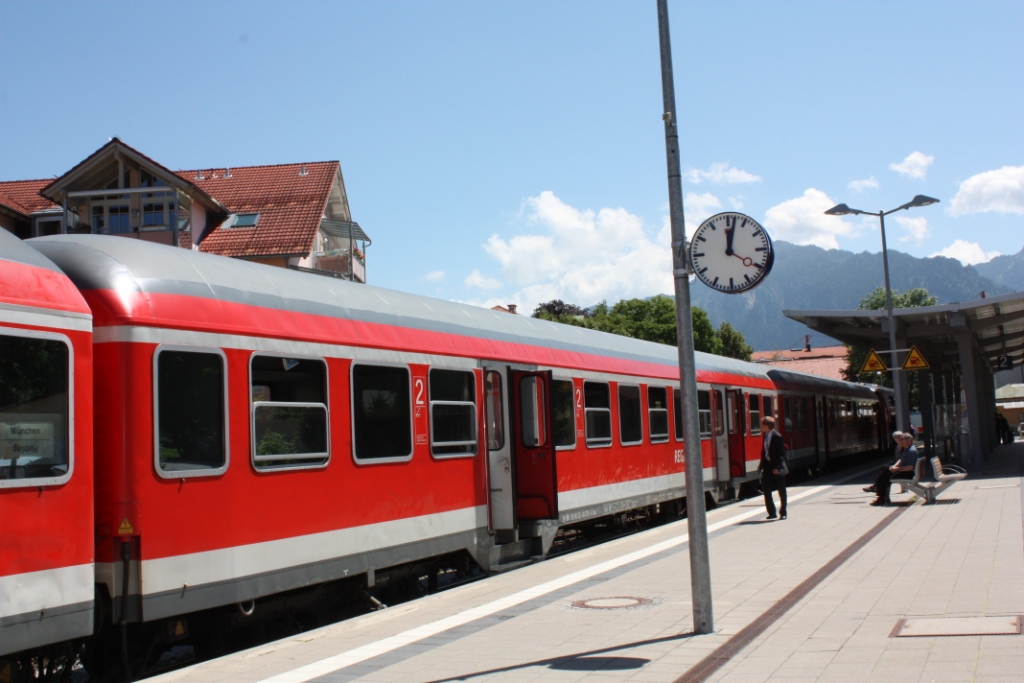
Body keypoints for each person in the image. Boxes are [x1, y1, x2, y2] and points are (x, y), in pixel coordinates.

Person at [868, 432, 919, 506]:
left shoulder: (911, 451)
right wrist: (894, 466)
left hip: (908, 473)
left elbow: (910, 467)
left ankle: (881, 497)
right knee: (884, 468)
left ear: (908, 440)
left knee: (884, 476)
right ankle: (879, 492)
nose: (900, 440)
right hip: (904, 471)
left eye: (902, 439)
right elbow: (901, 459)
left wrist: (897, 469)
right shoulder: (907, 449)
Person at [758, 416, 787, 520]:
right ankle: (772, 513)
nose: (761, 426)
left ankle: (783, 512)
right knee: (766, 490)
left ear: (766, 426)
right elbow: (764, 451)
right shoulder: (764, 435)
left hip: (777, 466)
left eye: (762, 425)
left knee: (781, 490)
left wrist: (778, 467)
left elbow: (782, 454)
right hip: (767, 466)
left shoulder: (777, 436)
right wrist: (761, 465)